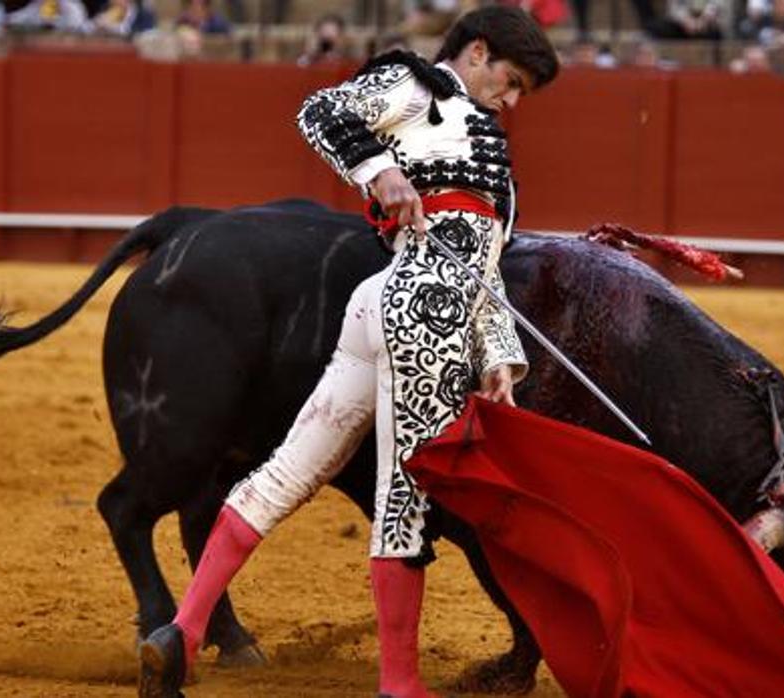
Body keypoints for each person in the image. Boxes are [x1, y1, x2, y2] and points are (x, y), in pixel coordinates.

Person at [135, 6, 559, 698]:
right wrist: (377, 171)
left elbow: (482, 268)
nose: (510, 102)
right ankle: (399, 684)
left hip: (391, 306)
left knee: (290, 471)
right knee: (405, 500)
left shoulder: (490, 149)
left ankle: (180, 631)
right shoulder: (417, 89)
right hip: (420, 311)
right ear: (477, 53)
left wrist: (499, 353)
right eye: (510, 82)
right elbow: (322, 111)